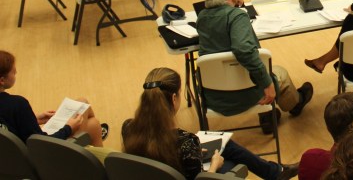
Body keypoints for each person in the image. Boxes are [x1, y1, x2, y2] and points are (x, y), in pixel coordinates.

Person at [122, 67, 298, 180]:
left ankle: (275, 172)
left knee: (225, 144)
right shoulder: (186, 142)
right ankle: (275, 173)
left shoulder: (128, 128)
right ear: (174, 98)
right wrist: (214, 164)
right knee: (228, 163)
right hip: (185, 171)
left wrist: (194, 152)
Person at [197, 0, 314, 132]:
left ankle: (268, 117)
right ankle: (295, 104)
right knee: (279, 73)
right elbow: (243, 49)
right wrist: (267, 83)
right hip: (247, 96)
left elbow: (223, 28)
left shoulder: (201, 18)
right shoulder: (237, 16)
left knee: (245, 69)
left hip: (214, 98)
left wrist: (235, 5)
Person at [0, 50, 106, 145]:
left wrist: (33, 120)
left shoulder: (12, 107)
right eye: (13, 72)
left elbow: (9, 127)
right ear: (2, 80)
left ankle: (93, 145)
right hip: (42, 156)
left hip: (12, 157)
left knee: (94, 124)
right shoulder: (18, 104)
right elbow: (41, 144)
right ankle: (87, 146)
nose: (16, 73)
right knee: (83, 103)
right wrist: (69, 128)